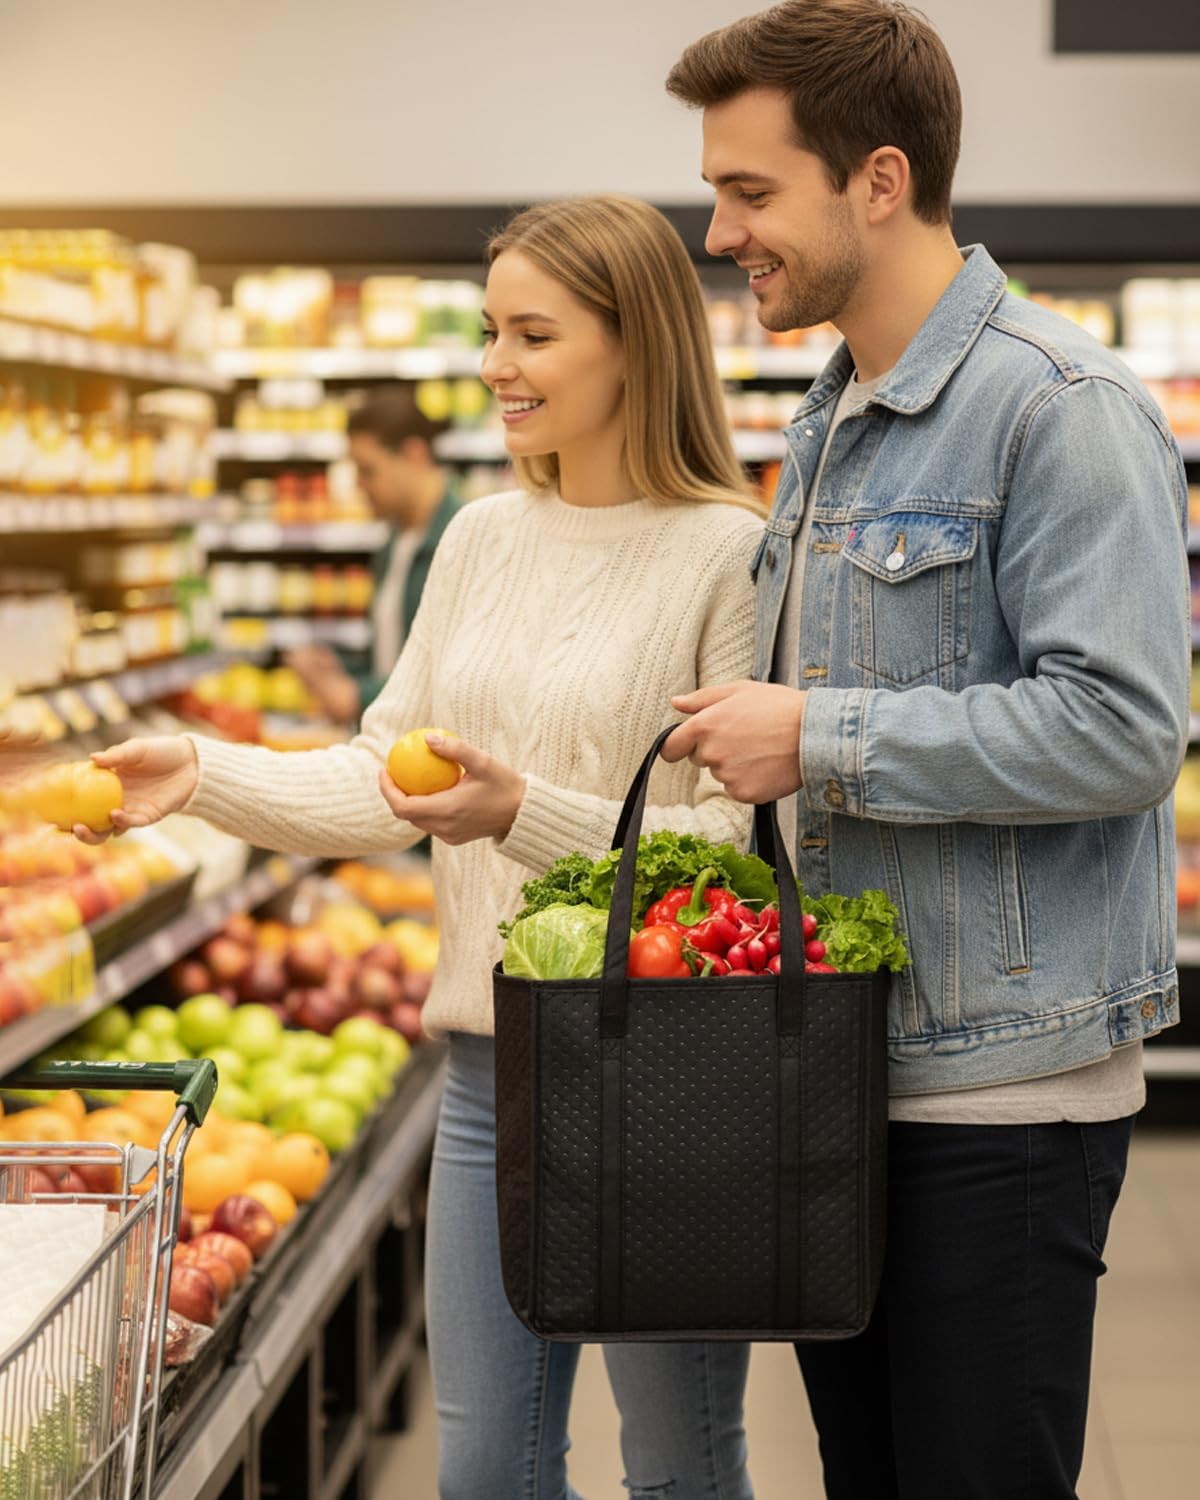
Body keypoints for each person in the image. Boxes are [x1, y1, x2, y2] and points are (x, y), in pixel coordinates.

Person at [81, 195, 764, 1500]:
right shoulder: (478, 540)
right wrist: (203, 774)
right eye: (494, 331)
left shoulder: (725, 556)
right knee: (483, 1473)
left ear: (634, 344)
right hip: (483, 1072)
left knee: (680, 1468)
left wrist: (527, 817)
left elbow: (733, 854)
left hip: (660, 1075)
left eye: (532, 333)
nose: (496, 364)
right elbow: (384, 775)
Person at [660, 3, 1191, 1497]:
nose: (721, 231)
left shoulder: (1063, 410)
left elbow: (1125, 730)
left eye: (751, 192)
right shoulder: (836, 419)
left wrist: (817, 733)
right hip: (844, 1065)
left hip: (1003, 1098)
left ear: (876, 182)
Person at [286, 384, 460, 723]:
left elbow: (451, 672)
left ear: (414, 455)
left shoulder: (463, 540)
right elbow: (393, 656)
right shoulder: (392, 544)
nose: (357, 485)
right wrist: (341, 667)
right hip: (390, 745)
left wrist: (356, 696)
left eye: (368, 470)